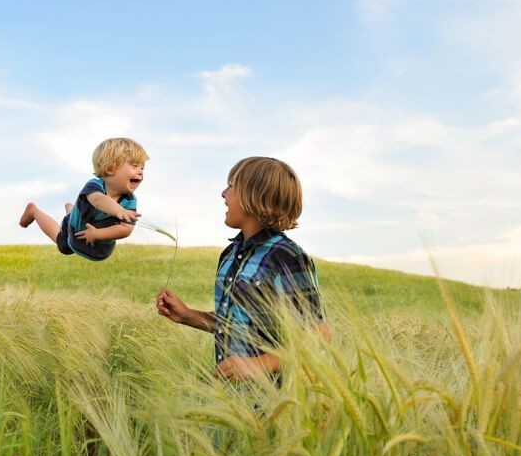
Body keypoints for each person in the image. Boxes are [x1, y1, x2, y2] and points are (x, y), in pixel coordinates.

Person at [156, 156, 329, 381]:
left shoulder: (286, 256)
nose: (223, 193)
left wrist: (258, 365)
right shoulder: (230, 255)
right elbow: (236, 326)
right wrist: (188, 315)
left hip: (275, 403)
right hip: (233, 401)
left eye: (231, 186)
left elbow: (320, 334)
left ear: (253, 196)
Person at [20, 137, 148, 261]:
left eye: (142, 168)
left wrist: (98, 234)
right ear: (110, 169)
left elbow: (125, 229)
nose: (140, 172)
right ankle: (34, 211)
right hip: (75, 227)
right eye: (135, 166)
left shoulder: (130, 201)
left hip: (90, 226)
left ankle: (71, 210)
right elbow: (98, 200)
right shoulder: (94, 186)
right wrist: (119, 211)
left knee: (75, 217)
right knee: (64, 246)